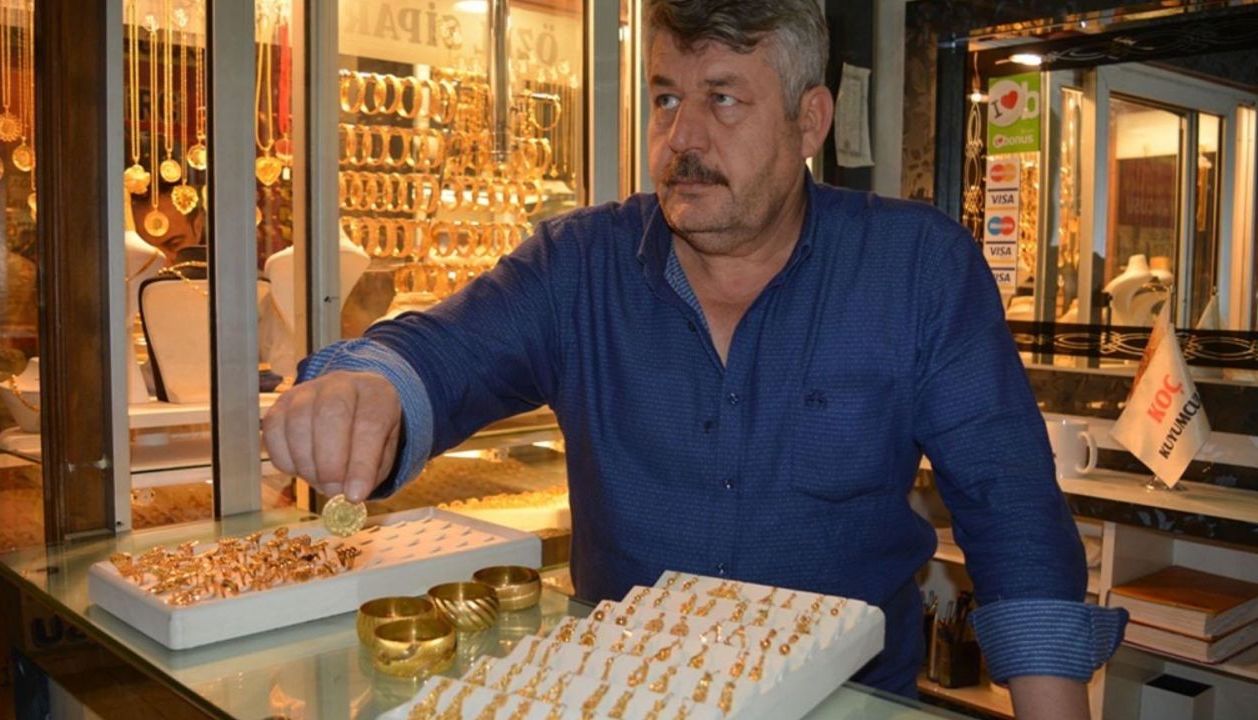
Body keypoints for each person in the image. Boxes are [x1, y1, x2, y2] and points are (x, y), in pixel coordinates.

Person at [263, 1, 1125, 715]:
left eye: (723, 99)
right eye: (666, 97)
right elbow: (444, 353)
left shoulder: (917, 269)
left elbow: (1010, 509)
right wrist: (367, 385)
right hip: (625, 698)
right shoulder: (578, 266)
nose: (682, 136)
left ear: (810, 120)